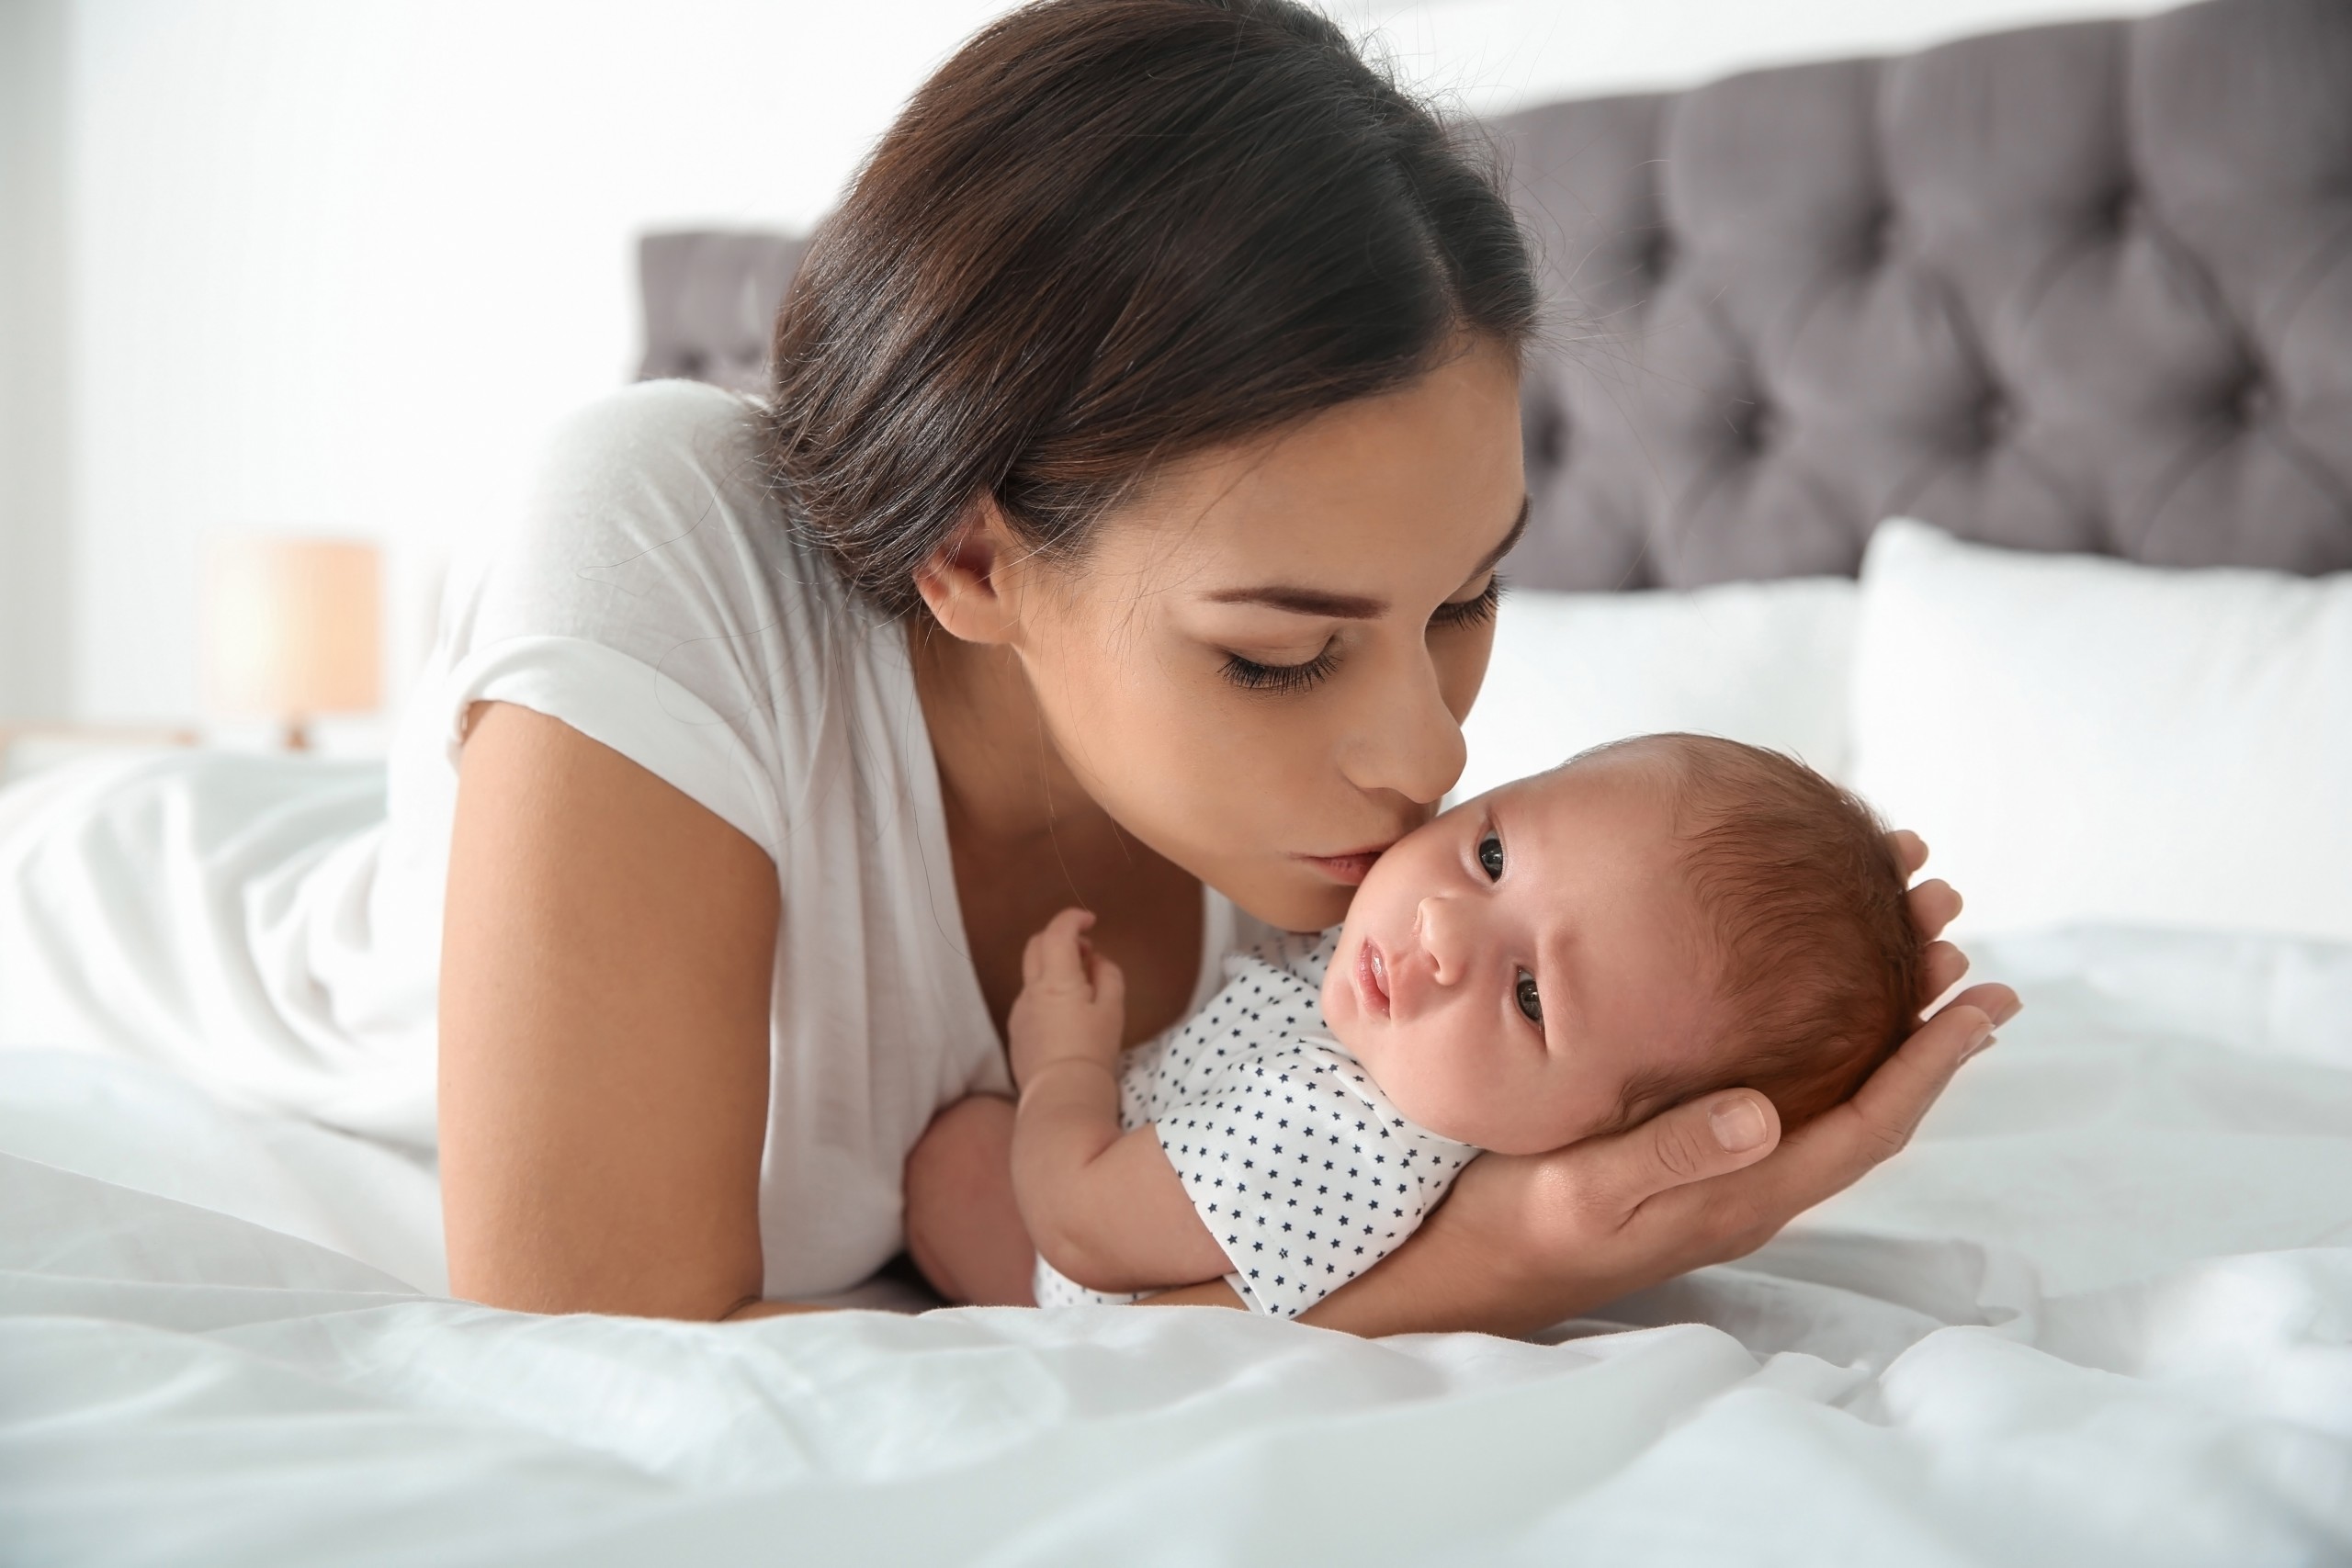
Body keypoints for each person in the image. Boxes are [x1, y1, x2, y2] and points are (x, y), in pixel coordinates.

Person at [424, 0, 2016, 1330]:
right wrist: (1505, 1263)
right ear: (974, 555)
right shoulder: (660, 527)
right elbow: (585, 1342)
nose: (1430, 759)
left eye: (1467, 600)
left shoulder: (1369, 943)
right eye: (1283, 654)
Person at [921, 735, 1922, 1316]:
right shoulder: (1396, 1019)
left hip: (1076, 1278)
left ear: (1586, 1140)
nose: (1441, 928)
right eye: (1492, 855)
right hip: (1145, 1168)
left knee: (953, 1157)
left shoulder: (1343, 1134)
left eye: (1531, 998)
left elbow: (1080, 1226)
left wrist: (1063, 1065)